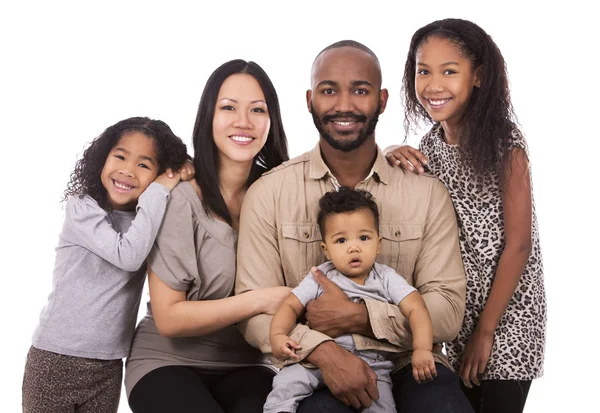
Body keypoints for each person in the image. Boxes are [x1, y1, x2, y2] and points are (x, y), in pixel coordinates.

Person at [235, 40, 474, 413]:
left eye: (359, 90)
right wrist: (325, 352)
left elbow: (446, 310)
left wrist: (363, 317)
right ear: (310, 99)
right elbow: (254, 315)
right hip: (310, 364)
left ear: (381, 100)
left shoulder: (426, 193)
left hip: (410, 361)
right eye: (329, 90)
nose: (343, 105)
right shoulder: (269, 193)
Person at [384, 18, 546, 413]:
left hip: (508, 315)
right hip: (456, 313)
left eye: (449, 71)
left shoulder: (505, 143)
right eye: (424, 71)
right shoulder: (431, 145)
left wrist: (486, 331)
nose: (434, 85)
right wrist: (390, 153)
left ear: (478, 77)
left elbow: (519, 245)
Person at [124, 59, 291, 413]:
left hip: (249, 364)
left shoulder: (281, 192)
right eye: (228, 107)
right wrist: (261, 300)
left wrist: (387, 154)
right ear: (208, 118)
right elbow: (169, 318)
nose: (243, 121)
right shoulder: (182, 194)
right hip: (165, 361)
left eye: (257, 110)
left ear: (271, 120)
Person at [22, 116, 191, 413]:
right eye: (120, 156)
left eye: (144, 165)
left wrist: (183, 167)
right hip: (55, 360)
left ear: (158, 172)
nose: (127, 170)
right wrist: (159, 188)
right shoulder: (82, 206)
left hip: (108, 364)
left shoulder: (147, 219)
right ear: (103, 157)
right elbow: (128, 255)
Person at [264, 188, 437, 413]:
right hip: (315, 361)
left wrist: (422, 348)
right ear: (325, 250)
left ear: (379, 244)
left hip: (372, 365)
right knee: (285, 385)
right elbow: (290, 305)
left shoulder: (385, 277)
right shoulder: (319, 276)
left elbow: (416, 308)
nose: (353, 247)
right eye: (341, 240)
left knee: (382, 407)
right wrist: (278, 334)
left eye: (364, 238)